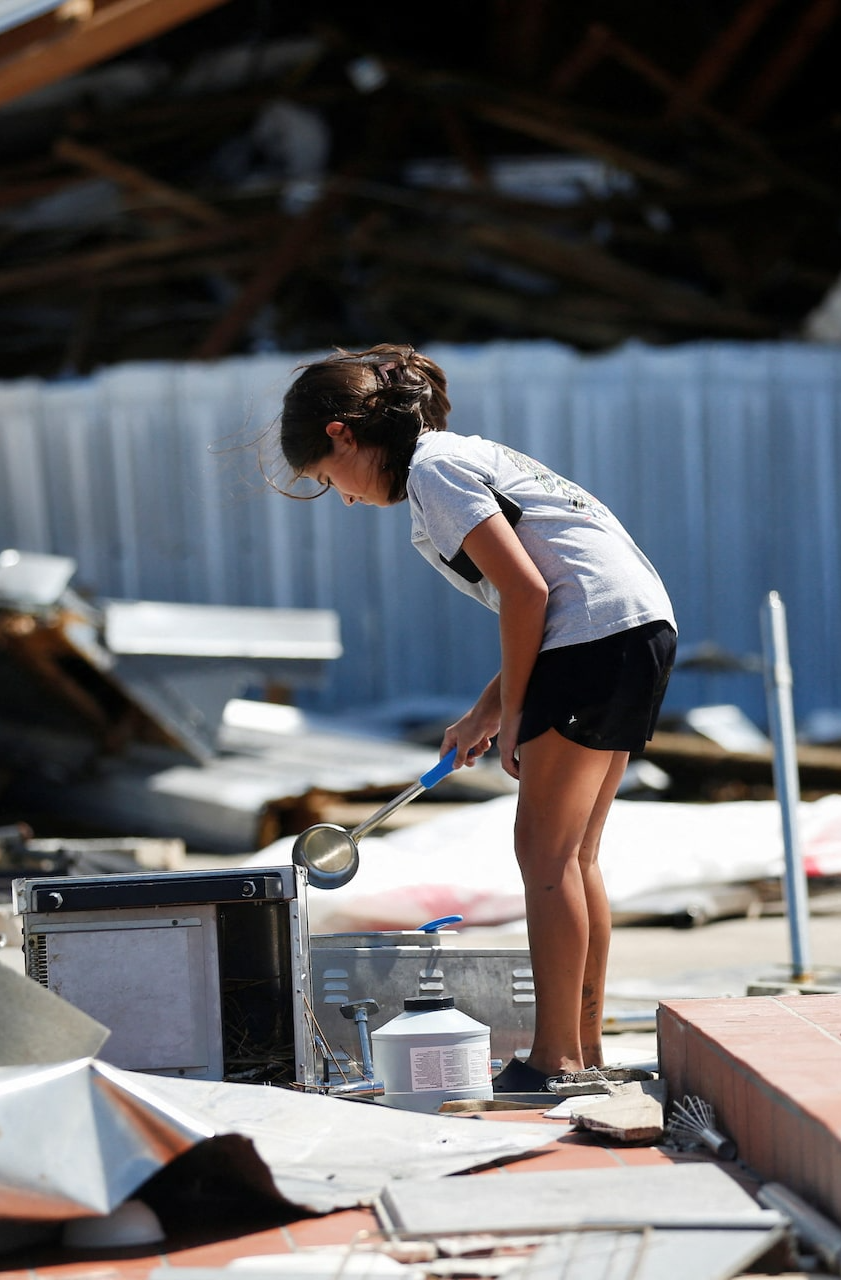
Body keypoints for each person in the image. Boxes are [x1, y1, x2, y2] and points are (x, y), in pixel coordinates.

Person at [277, 343, 677, 1090]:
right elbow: (552, 595)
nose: (348, 500)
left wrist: (520, 710)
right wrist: (484, 712)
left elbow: (529, 596)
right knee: (575, 857)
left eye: (331, 481)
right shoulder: (461, 458)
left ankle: (553, 1059)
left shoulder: (432, 470)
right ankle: (584, 1054)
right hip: (635, 629)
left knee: (545, 857)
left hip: (594, 639)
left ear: (342, 434)